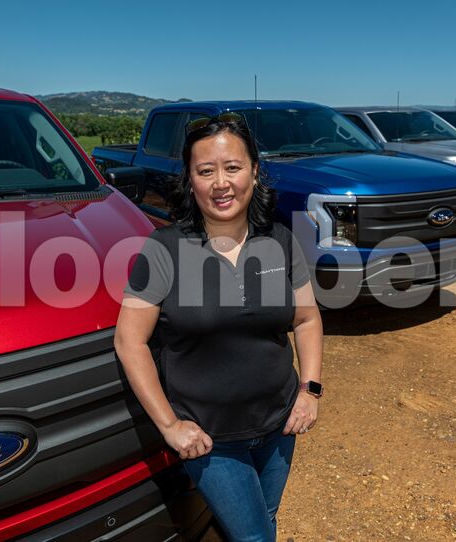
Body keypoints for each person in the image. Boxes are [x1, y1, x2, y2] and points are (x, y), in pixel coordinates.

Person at [114, 112, 323, 542]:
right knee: (254, 537)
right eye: (206, 171)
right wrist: (169, 425)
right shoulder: (165, 248)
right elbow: (129, 341)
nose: (221, 183)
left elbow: (307, 319)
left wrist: (310, 390)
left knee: (265, 518)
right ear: (190, 180)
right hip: (210, 440)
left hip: (279, 426)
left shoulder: (280, 240)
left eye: (232, 167)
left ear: (254, 172)